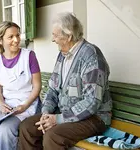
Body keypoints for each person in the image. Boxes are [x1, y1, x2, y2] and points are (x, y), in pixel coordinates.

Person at [18, 12, 112, 150]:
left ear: (68, 36)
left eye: (55, 35)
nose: (52, 39)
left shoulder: (92, 57)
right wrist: (46, 113)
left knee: (53, 136)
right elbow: (52, 89)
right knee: (27, 128)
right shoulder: (62, 55)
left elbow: (92, 102)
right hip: (64, 114)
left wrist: (58, 119)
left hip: (94, 118)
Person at [0, 21, 41, 150]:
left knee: (5, 130)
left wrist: (25, 105)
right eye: (10, 37)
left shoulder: (29, 56)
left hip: (27, 104)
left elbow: (37, 86)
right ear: (0, 40)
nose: (16, 40)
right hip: (6, 104)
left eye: (18, 35)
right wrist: (1, 104)